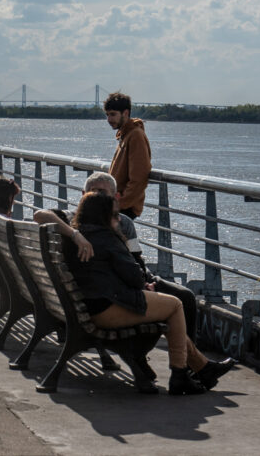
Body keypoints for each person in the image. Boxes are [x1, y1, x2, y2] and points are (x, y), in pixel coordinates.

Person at [66, 191, 234, 395]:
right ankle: (179, 373)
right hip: (106, 309)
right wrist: (144, 284)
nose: (119, 219)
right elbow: (135, 276)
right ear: (102, 216)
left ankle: (204, 368)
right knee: (175, 305)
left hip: (88, 305)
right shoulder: (106, 238)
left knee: (168, 310)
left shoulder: (78, 235)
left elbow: (104, 273)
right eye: (115, 215)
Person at [34, 172, 200, 344]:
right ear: (84, 195)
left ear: (115, 197)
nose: (98, 196)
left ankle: (191, 356)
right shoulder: (70, 219)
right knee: (175, 303)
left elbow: (136, 258)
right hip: (113, 290)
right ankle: (187, 362)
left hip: (132, 278)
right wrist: (74, 234)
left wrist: (146, 282)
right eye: (93, 191)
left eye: (103, 192)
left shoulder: (124, 223)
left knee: (186, 296)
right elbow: (40, 215)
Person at [104, 92, 151, 220]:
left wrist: (120, 204)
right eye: (107, 115)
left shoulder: (135, 135)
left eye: (113, 114)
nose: (109, 119)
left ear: (125, 113)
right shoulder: (125, 135)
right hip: (116, 204)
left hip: (125, 207)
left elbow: (139, 177)